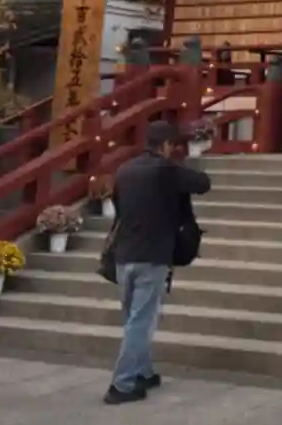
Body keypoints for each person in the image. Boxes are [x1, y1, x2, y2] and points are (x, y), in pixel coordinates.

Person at [105, 120, 213, 405]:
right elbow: (203, 184)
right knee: (141, 321)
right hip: (152, 256)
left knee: (133, 318)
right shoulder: (166, 170)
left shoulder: (125, 169)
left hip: (124, 254)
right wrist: (192, 158)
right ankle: (122, 384)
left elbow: (118, 207)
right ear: (166, 145)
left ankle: (143, 372)